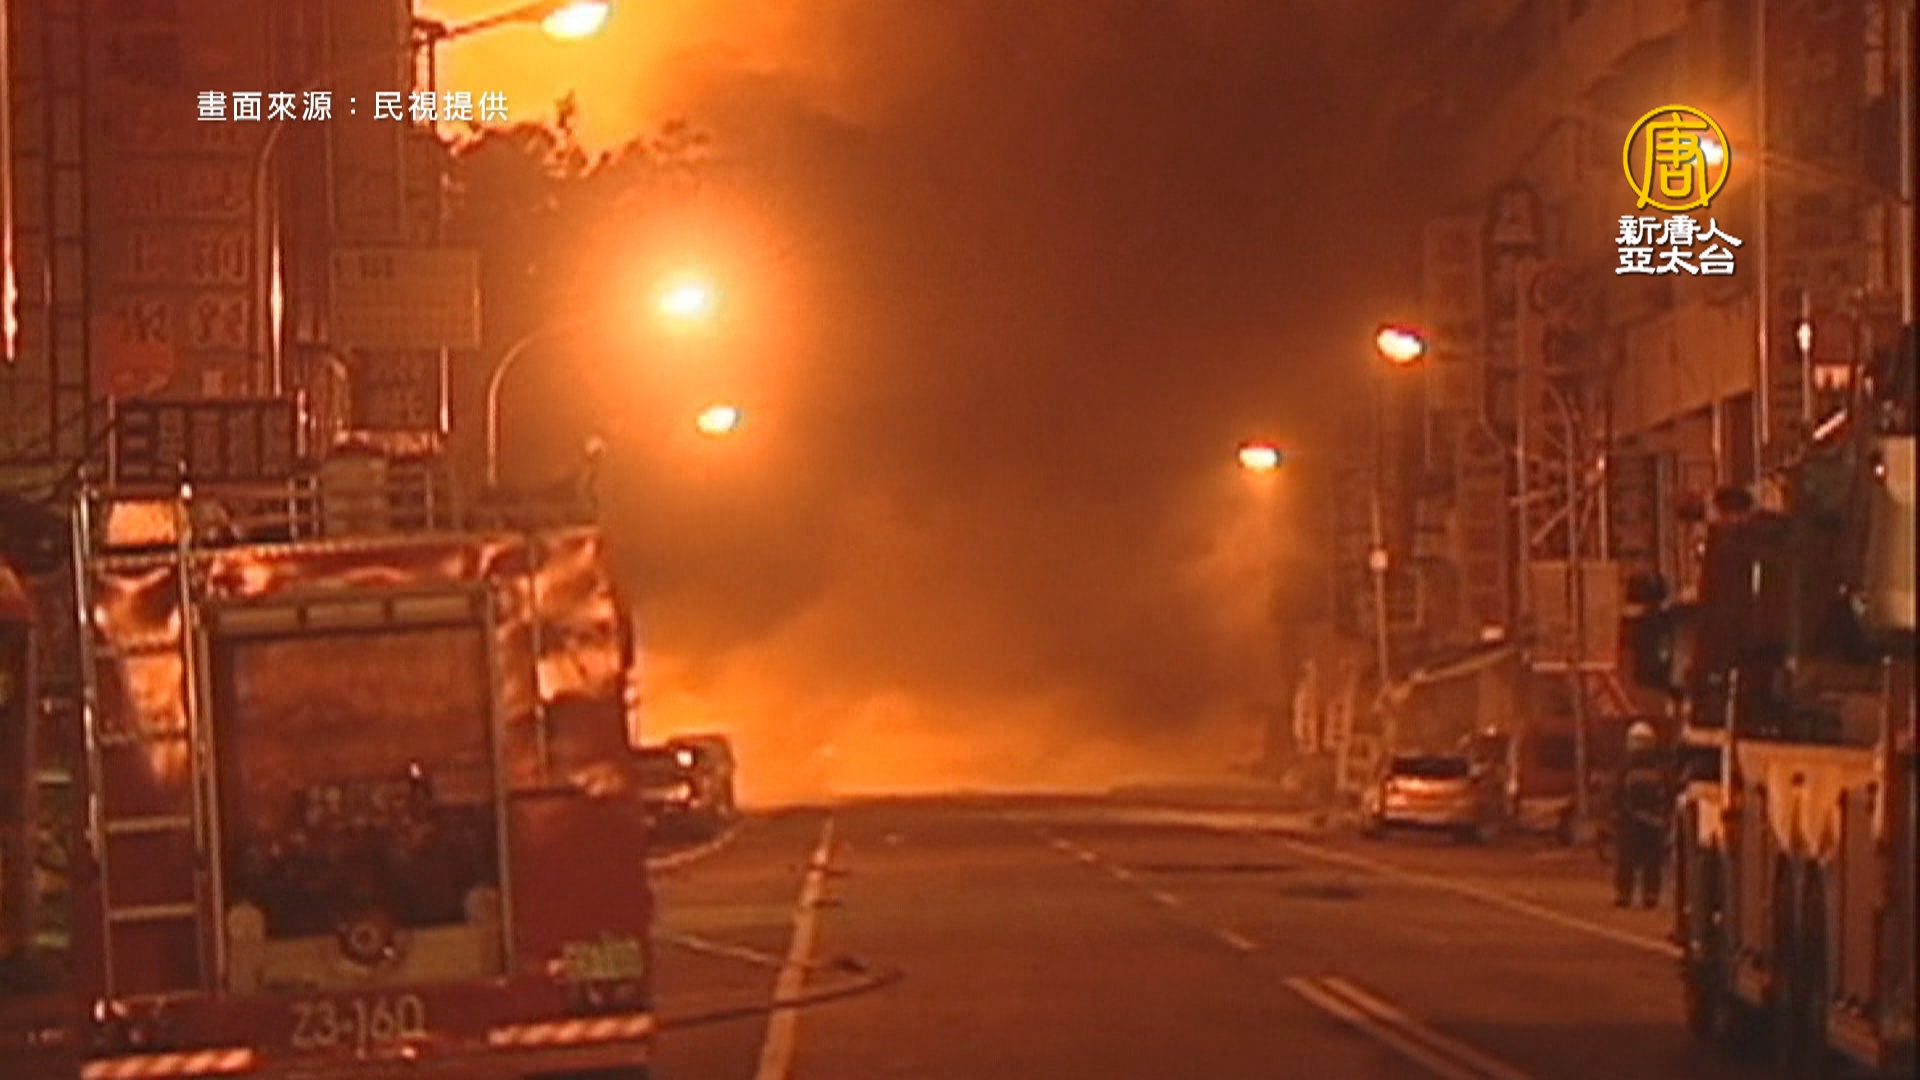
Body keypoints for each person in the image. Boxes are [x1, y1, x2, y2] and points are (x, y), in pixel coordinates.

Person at [1614, 720, 1670, 908]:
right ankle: (1650, 894)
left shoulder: (1625, 767)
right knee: (1651, 860)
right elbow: (1668, 791)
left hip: (1630, 821)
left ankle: (1625, 893)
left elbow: (1616, 792)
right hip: (1652, 822)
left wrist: (1615, 813)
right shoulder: (1658, 767)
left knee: (1626, 859)